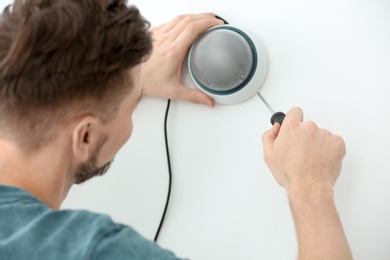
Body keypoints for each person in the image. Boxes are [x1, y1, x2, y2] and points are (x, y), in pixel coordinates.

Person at [0, 0, 352, 259]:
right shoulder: (95, 251)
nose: (131, 118)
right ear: (86, 136)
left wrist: (123, 82)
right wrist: (311, 187)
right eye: (129, 111)